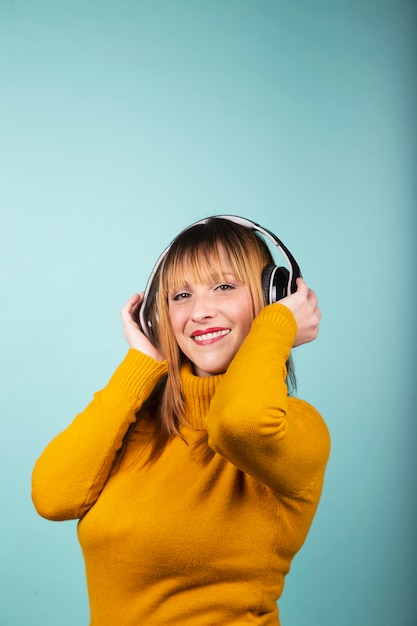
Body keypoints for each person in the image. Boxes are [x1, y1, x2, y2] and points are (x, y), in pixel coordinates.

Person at [32, 215, 330, 626]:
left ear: (271, 296)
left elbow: (237, 424)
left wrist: (276, 325)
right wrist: (140, 364)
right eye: (180, 296)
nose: (200, 312)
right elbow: (52, 496)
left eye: (224, 287)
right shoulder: (138, 425)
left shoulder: (296, 429)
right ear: (158, 317)